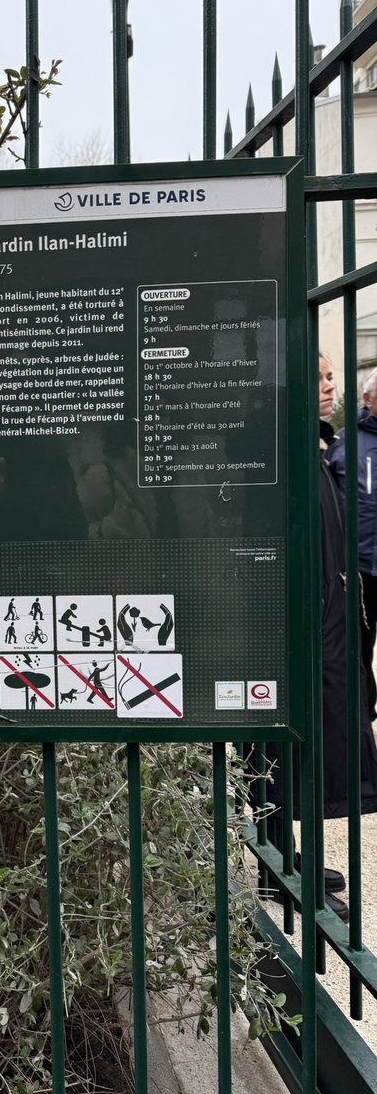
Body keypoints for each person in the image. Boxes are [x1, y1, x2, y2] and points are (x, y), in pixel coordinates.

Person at [257, 357, 377, 922]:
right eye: (322, 375)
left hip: (326, 622)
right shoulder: (280, 454)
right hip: (287, 632)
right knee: (279, 745)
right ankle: (273, 873)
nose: (332, 385)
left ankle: (284, 856)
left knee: (306, 743)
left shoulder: (316, 449)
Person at [328, 365, 377, 721]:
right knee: (360, 648)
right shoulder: (344, 444)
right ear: (368, 399)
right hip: (361, 567)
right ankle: (364, 722)